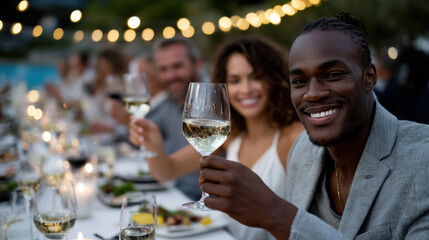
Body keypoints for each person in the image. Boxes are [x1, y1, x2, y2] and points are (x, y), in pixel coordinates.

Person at [198, 12, 429, 239]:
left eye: (333, 75)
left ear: (369, 77)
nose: (313, 94)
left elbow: (286, 223)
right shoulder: (303, 150)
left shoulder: (422, 164)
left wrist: (276, 213)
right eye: (299, 81)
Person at [130, 35, 304, 239]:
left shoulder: (294, 137)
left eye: (256, 77)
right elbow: (167, 170)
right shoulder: (232, 136)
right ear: (224, 86)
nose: (246, 89)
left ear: (274, 79)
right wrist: (154, 145)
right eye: (235, 80)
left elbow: (304, 223)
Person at [130, 37, 205, 200]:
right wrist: (139, 133)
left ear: (197, 64)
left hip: (211, 203)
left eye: (177, 66)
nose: (170, 75)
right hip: (177, 193)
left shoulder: (216, 105)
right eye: (163, 69)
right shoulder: (170, 103)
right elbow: (146, 136)